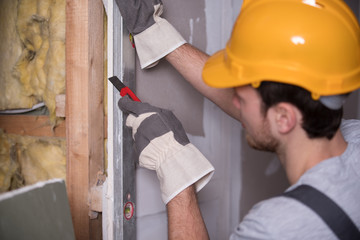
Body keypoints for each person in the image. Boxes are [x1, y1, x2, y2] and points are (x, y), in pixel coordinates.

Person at [115, 0, 360, 239]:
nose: (233, 102)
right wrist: (157, 34)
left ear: (284, 118)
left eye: (241, 98)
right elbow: (265, 111)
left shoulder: (276, 228)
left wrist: (175, 169)